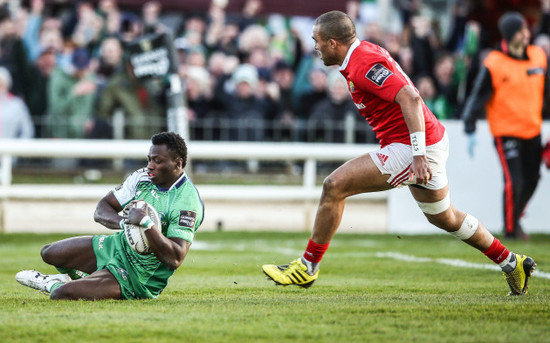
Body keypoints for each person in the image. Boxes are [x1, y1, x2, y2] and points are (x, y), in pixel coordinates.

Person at [262, 11, 536, 296]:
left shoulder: (362, 62)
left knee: (334, 185)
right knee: (446, 218)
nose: (314, 48)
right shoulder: (359, 57)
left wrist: (418, 155)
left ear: (333, 43)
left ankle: (307, 268)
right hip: (424, 141)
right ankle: (512, 262)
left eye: (316, 41)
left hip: (413, 146)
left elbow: (411, 97)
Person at [15, 132, 204, 300]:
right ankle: (86, 279)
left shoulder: (187, 201)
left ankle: (54, 283)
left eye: (157, 161)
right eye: (149, 159)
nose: (150, 166)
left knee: (61, 294)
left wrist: (145, 223)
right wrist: (126, 224)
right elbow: (102, 209)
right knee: (49, 253)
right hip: (117, 246)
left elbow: (176, 257)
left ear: (177, 164)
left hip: (139, 276)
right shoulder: (142, 178)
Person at [462, 12, 547, 241]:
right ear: (511, 35)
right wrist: (469, 126)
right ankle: (510, 232)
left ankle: (515, 218)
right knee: (514, 181)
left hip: (533, 131)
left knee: (533, 179)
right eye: (521, 30)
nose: (526, 34)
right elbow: (477, 97)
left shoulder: (539, 57)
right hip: (506, 132)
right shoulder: (494, 63)